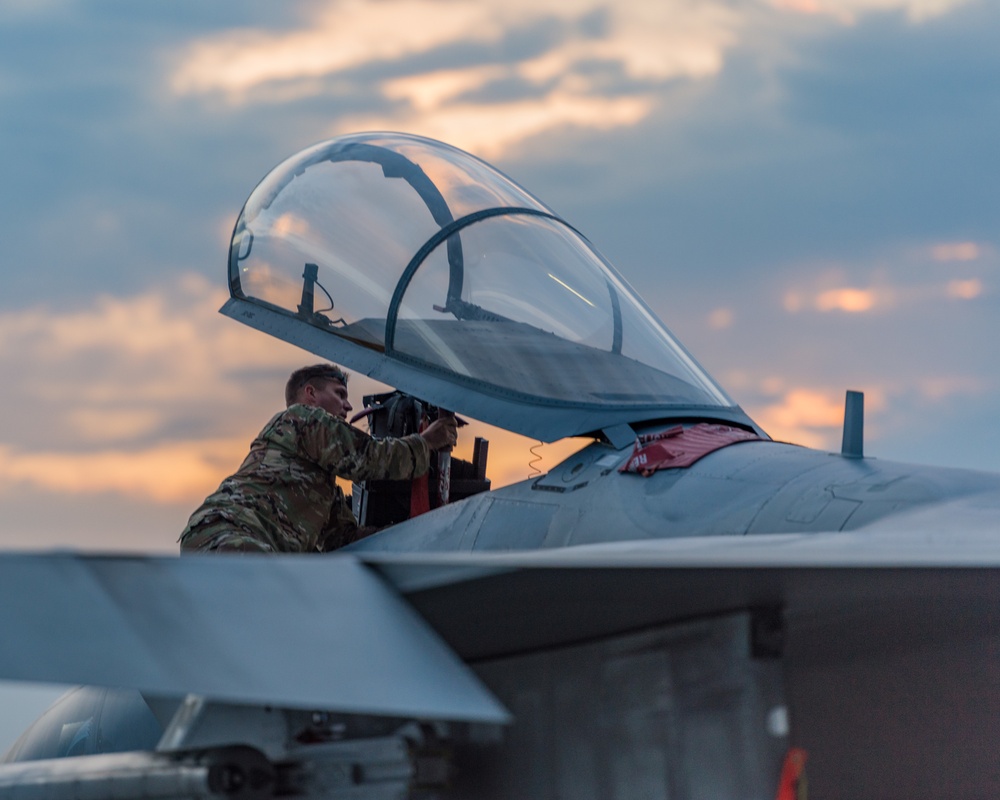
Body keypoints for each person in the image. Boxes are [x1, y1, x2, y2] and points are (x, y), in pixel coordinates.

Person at [179, 364, 457, 553]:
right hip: (234, 534)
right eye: (339, 394)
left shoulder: (320, 488)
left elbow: (342, 540)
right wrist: (427, 441)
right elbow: (366, 458)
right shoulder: (302, 418)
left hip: (232, 540)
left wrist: (411, 534)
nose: (348, 406)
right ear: (310, 394)